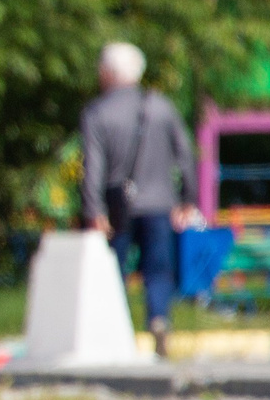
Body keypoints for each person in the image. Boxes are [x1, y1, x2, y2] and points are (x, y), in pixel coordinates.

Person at [81, 40, 200, 346]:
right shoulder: (161, 106)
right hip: (160, 202)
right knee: (158, 269)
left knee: (113, 270)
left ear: (108, 72)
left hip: (117, 205)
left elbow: (92, 168)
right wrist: (189, 198)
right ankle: (159, 317)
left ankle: (114, 330)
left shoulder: (97, 113)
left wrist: (94, 211)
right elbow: (185, 154)